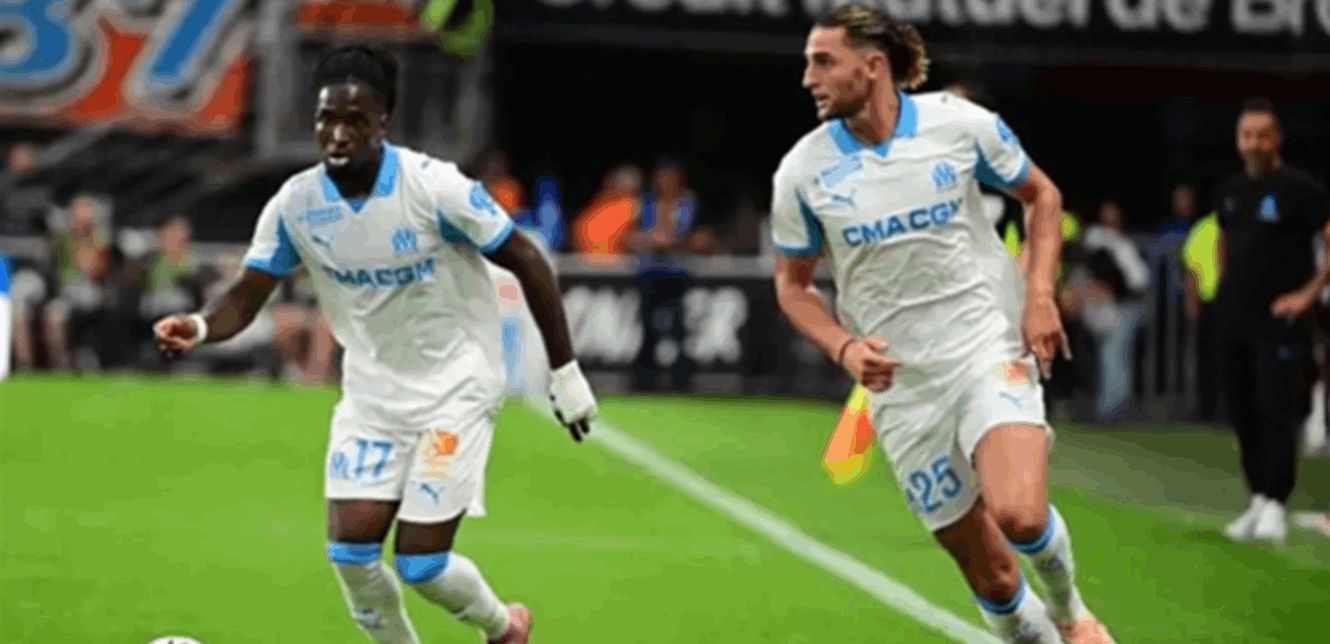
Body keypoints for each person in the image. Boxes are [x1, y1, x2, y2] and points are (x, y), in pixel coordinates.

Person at [152, 44, 598, 644]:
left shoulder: (433, 188)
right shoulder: (297, 204)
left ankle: (503, 630)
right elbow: (247, 291)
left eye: (354, 120)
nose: (337, 134)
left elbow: (526, 257)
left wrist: (565, 374)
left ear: (382, 124)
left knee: (422, 564)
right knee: (352, 557)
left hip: (456, 387)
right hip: (372, 396)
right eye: (326, 119)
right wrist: (201, 326)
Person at [770, 6, 1112, 643]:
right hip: (902, 387)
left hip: (985, 344)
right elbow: (792, 286)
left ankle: (1073, 614)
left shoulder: (958, 124)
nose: (808, 78)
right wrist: (843, 348)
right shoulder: (802, 172)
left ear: (872, 66)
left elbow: (1042, 196)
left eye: (823, 62)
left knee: (1019, 512)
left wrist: (1039, 296)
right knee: (995, 580)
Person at [1215, 97, 1330, 545]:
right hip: (1235, 318)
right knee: (1242, 409)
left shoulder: (1300, 189)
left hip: (1279, 322)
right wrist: (1224, 289)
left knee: (1276, 408)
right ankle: (1258, 498)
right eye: (1247, 135)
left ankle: (1278, 503)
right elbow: (1224, 240)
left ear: (1277, 139)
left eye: (1263, 136)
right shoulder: (1230, 190)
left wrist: (1307, 295)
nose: (1254, 144)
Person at [1078, 200, 1149, 423]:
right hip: (1115, 305)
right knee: (1113, 357)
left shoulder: (1117, 243)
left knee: (1114, 357)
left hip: (1124, 304)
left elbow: (1136, 280)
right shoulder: (1101, 242)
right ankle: (1111, 408)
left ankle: (1111, 409)